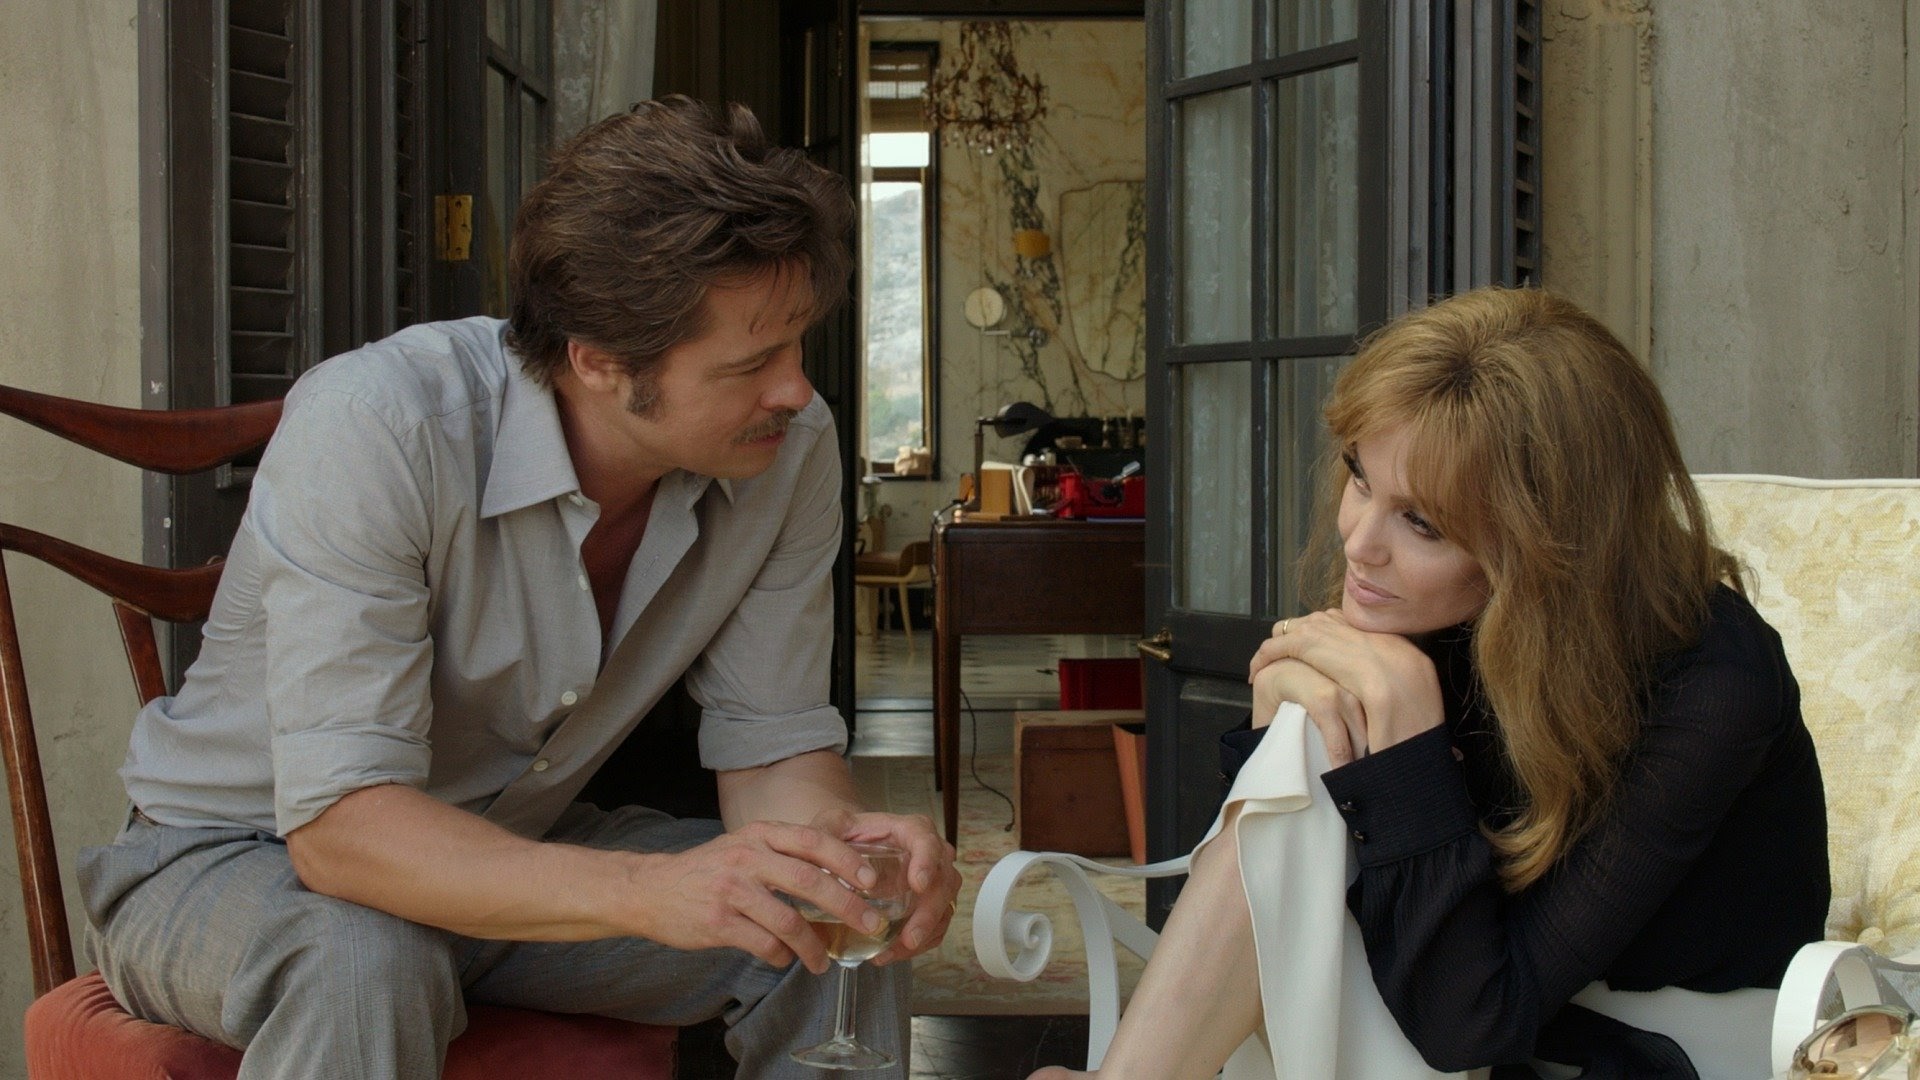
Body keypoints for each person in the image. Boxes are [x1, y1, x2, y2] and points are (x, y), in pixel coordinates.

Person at [78, 96, 961, 1079]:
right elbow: (341, 834)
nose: (795, 390)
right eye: (753, 362)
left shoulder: (787, 450)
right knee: (365, 959)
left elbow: (773, 744)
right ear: (600, 361)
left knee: (819, 919)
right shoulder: (378, 426)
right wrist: (640, 892)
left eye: (798, 345)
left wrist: (839, 852)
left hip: (507, 849)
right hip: (235, 857)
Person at [1033, 287, 1828, 1080]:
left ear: (1551, 542)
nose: (1359, 543)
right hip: (1444, 1009)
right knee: (1315, 728)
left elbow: (1473, 1024)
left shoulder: (1713, 683)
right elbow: (1299, 895)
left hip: (1649, 1053)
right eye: (1360, 478)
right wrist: (1271, 729)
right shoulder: (1434, 614)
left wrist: (1408, 751)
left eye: (1422, 523)